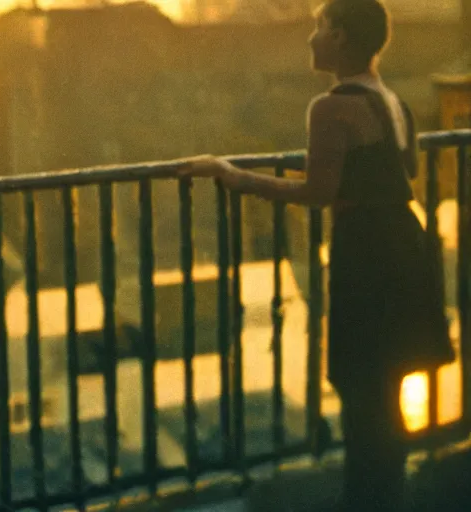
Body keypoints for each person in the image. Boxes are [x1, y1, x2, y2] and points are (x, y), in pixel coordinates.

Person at [178, 0, 454, 510]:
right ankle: (385, 496)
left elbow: (317, 191)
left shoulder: (331, 107)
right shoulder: (395, 102)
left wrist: (235, 177)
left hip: (366, 249)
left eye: (319, 27)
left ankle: (365, 500)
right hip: (404, 241)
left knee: (358, 385)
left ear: (342, 36)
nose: (311, 38)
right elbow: (406, 169)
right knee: (388, 384)